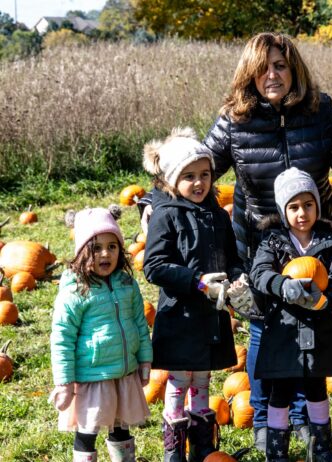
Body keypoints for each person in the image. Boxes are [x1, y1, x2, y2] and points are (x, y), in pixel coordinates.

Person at [199, 32, 332, 450]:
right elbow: (198, 168)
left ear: (294, 69)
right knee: (264, 330)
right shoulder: (235, 120)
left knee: (311, 325)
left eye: (280, 66)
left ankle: (304, 416)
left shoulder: (320, 110)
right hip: (259, 245)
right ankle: (263, 417)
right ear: (249, 74)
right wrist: (156, 202)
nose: (272, 75)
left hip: (315, 242)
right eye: (263, 68)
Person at [141, 127, 252, 462]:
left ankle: (202, 447)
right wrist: (198, 282)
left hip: (210, 316)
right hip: (180, 315)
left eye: (205, 174)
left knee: (202, 380)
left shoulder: (218, 215)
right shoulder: (166, 214)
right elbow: (154, 266)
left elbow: (232, 258)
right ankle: (174, 450)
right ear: (172, 179)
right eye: (189, 176)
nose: (199, 182)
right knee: (178, 381)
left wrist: (237, 280)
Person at [250, 167, 332, 462]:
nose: (302, 213)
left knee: (317, 388)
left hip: (319, 327)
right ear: (283, 211)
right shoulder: (272, 240)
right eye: (293, 207)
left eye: (308, 205)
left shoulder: (329, 240)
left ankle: (321, 449)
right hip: (284, 329)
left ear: (317, 206)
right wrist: (282, 285)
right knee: (280, 390)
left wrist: (325, 301)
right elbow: (259, 273)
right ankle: (276, 450)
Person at [49, 207, 153, 462]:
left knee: (121, 427)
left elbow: (140, 323)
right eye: (96, 248)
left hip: (123, 373)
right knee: (88, 429)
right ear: (82, 252)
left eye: (112, 246)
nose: (105, 253)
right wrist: (64, 382)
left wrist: (145, 359)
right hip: (92, 376)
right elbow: (62, 338)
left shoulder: (127, 285)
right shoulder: (76, 290)